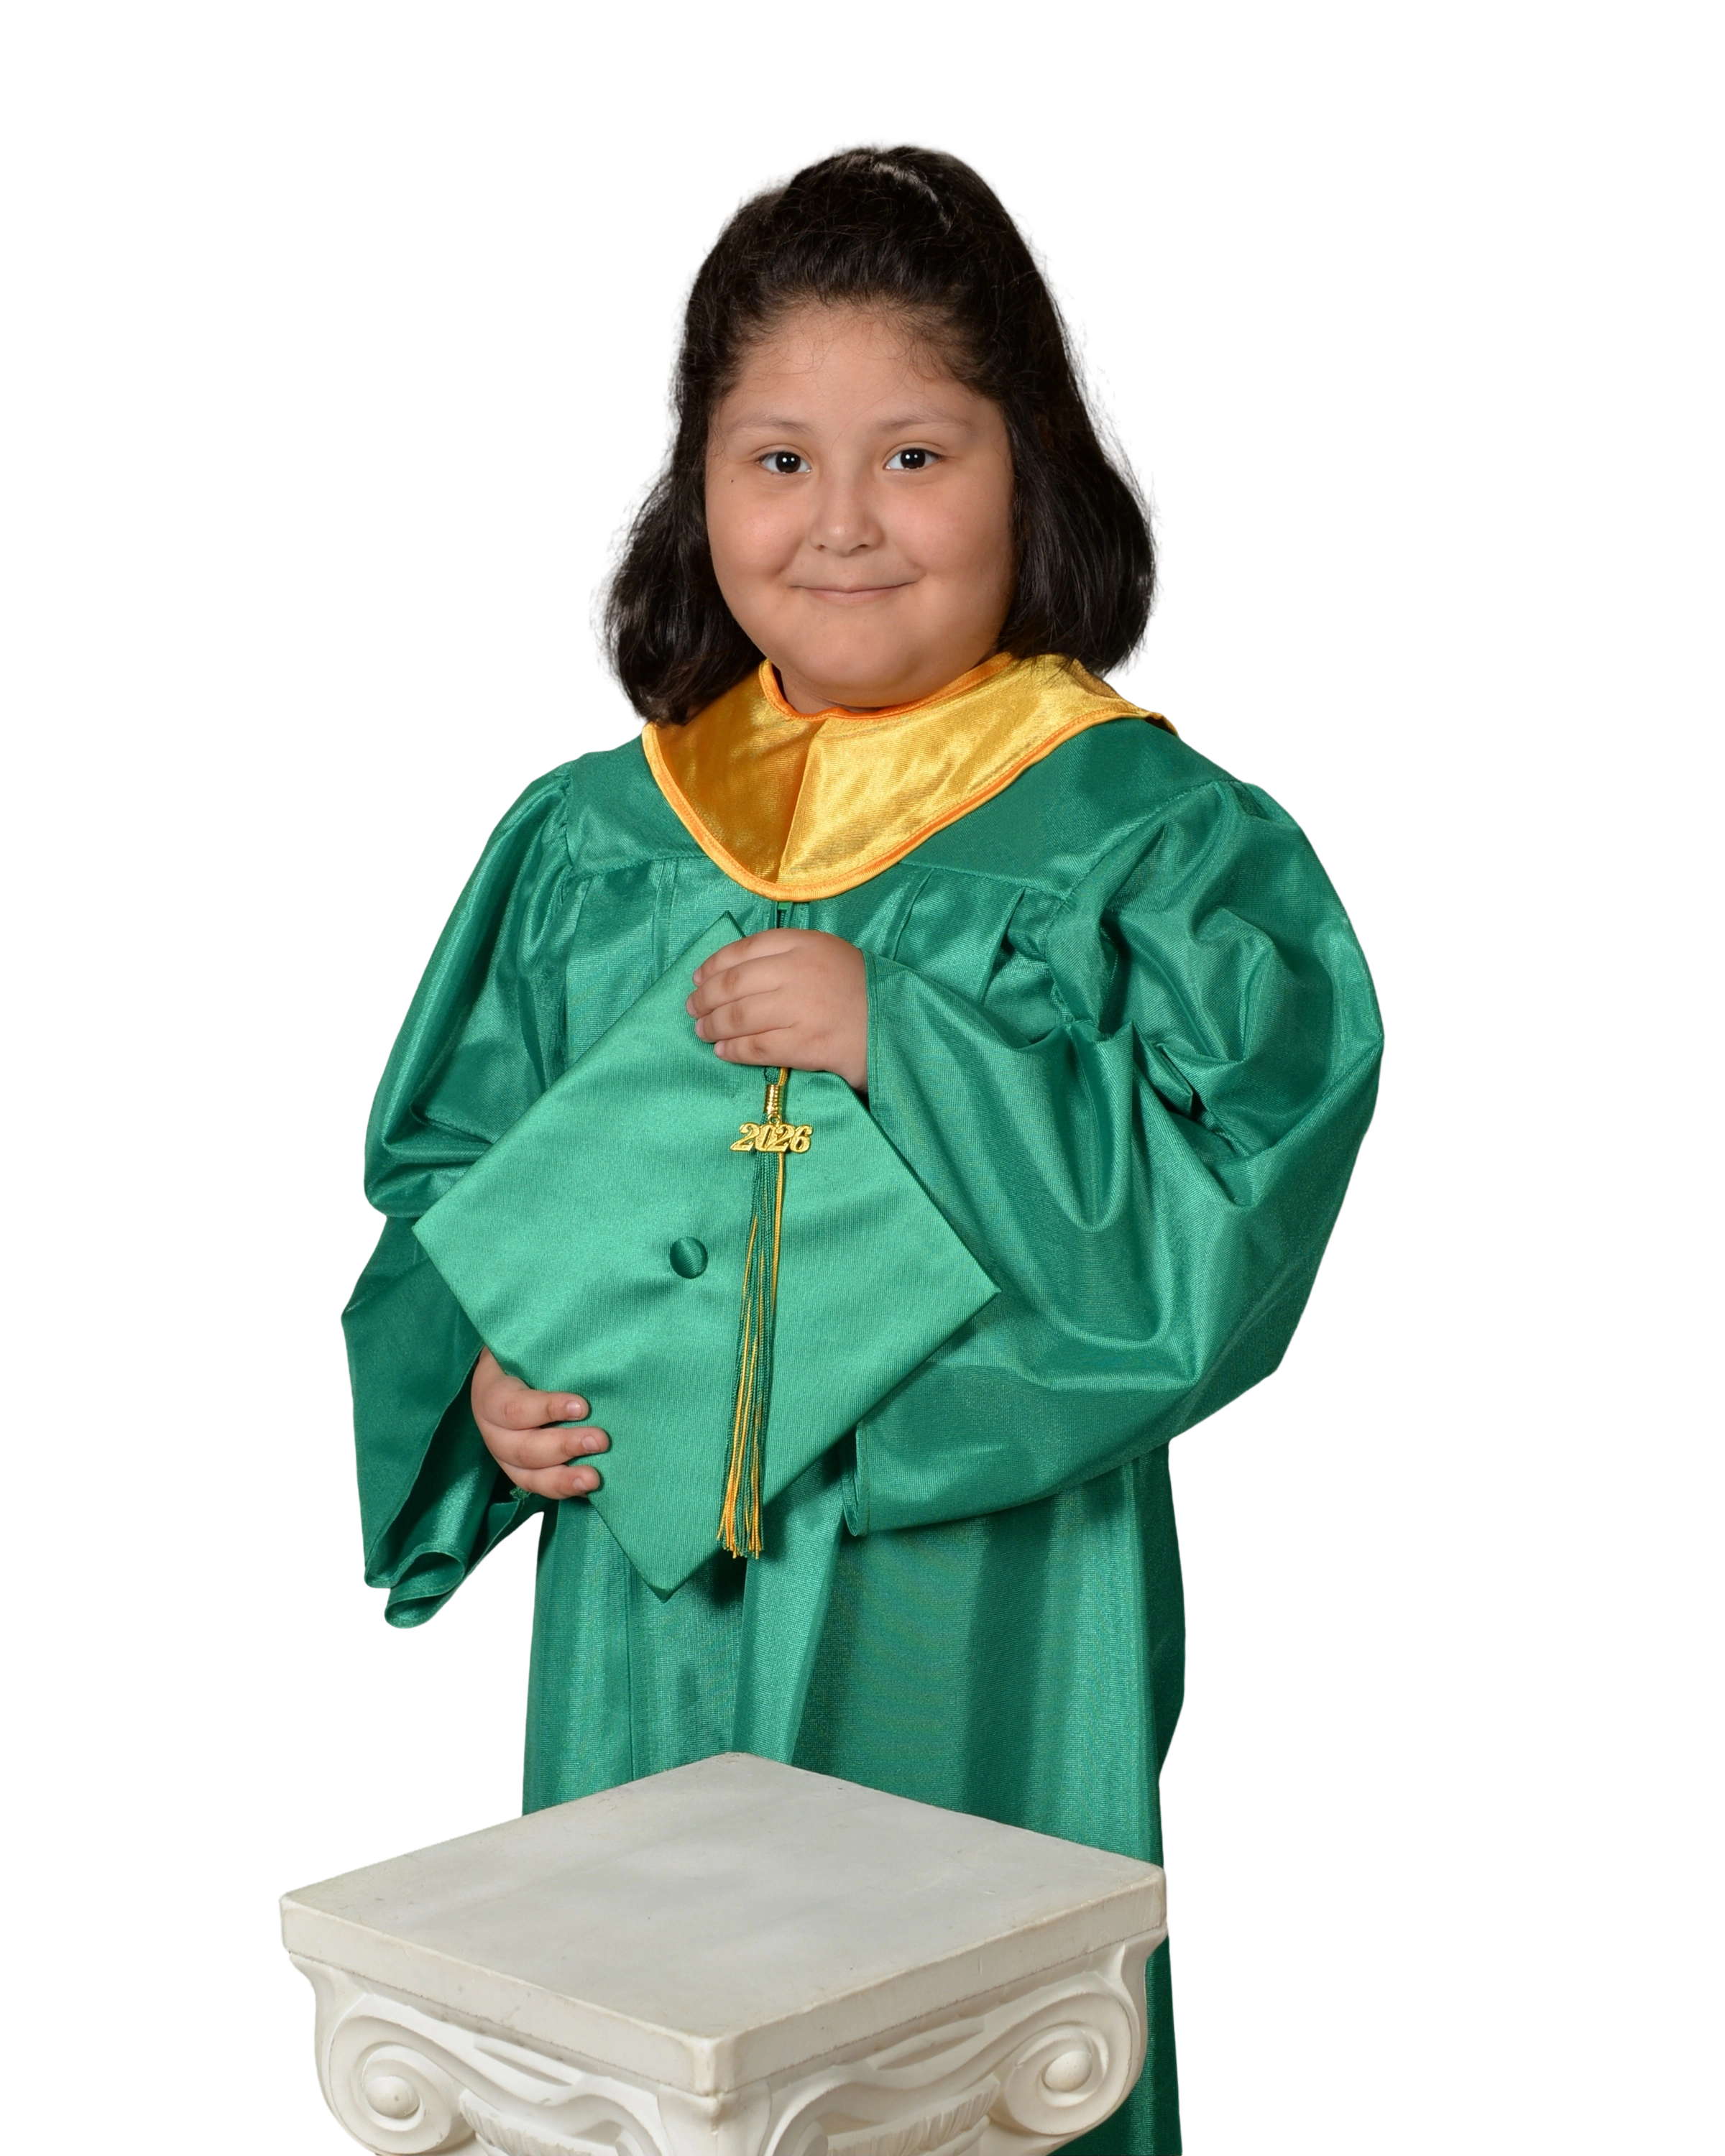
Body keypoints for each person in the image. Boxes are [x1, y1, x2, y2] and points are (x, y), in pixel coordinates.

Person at [341, 135, 1386, 2155]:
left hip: (987, 1574)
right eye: (776, 458)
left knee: (960, 2032)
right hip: (655, 1586)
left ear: (1032, 474)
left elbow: (1243, 1190)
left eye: (916, 455)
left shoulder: (1150, 843)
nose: (841, 523)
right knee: (644, 2029)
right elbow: (453, 1181)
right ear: (695, 489)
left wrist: (915, 1040)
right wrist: (486, 1385)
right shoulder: (596, 838)